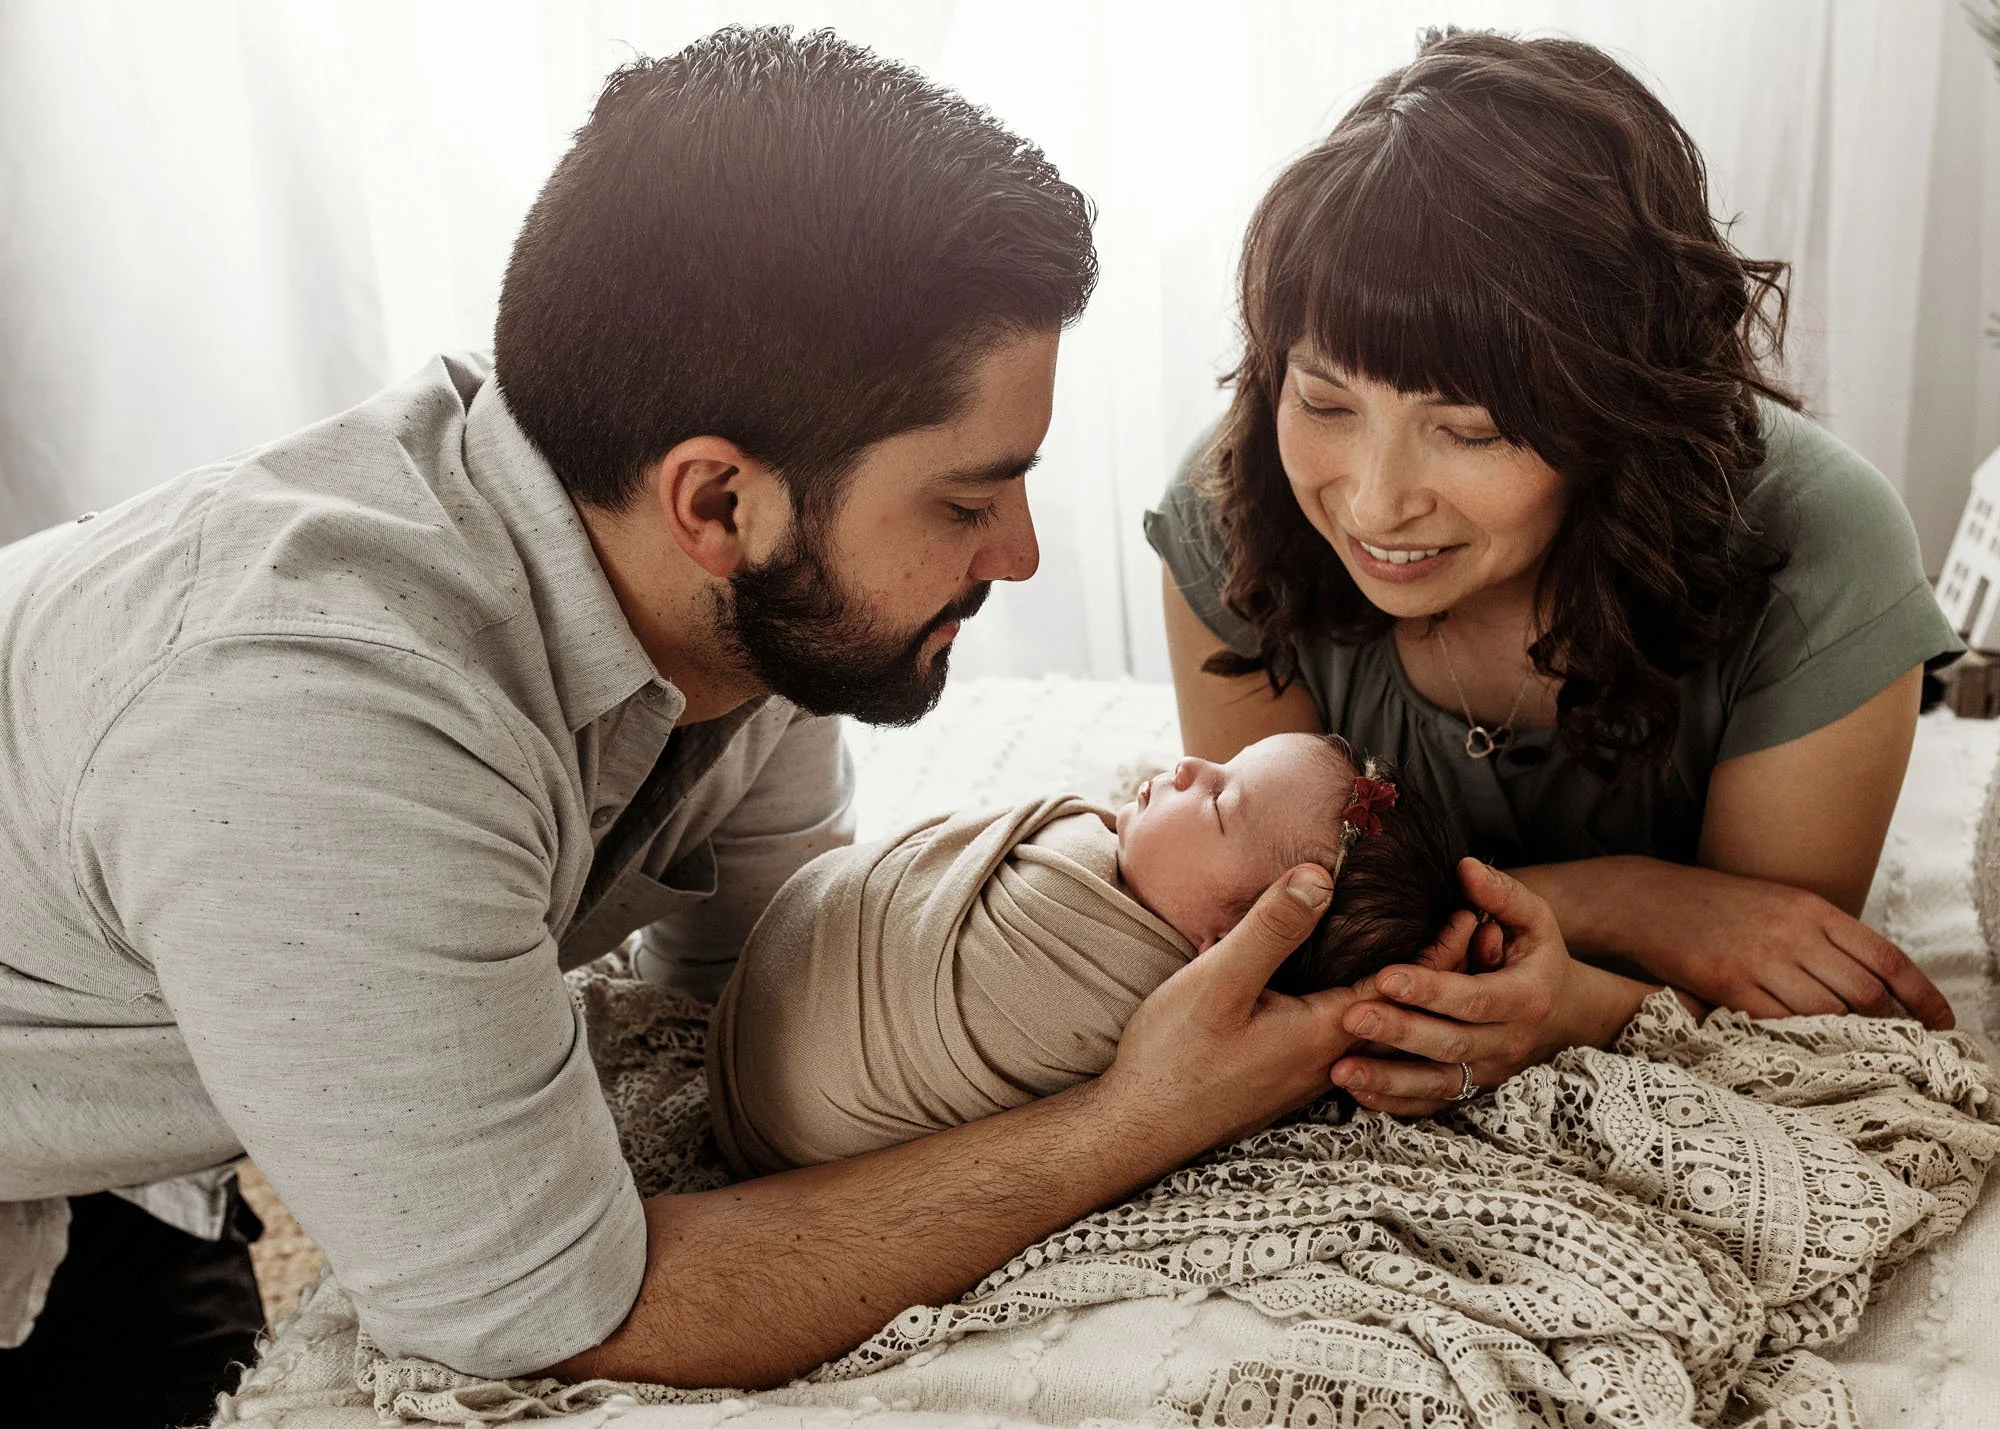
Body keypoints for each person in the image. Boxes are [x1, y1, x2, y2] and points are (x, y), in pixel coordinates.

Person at [0, 24, 1548, 1419]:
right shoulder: (327, 725)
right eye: (967, 497)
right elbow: (546, 1312)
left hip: (148, 1159)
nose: (1015, 555)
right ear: (719, 500)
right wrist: (1132, 1118)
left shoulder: (718, 614)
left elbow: (765, 977)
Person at [1147, 28, 1964, 1123]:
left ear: (1618, 406)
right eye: (1325, 400)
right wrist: (1639, 903)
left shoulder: (1821, 552)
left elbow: (1781, 997)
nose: (1374, 500)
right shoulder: (1234, 507)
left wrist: (1575, 1000)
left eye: (1469, 430)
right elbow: (1257, 924)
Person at [708, 732, 1462, 1175]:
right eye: (1225, 761)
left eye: (1220, 801)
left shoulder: (1131, 995)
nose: (1189, 767)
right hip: (785, 1015)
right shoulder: (1104, 861)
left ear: (1238, 943)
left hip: (787, 1098)